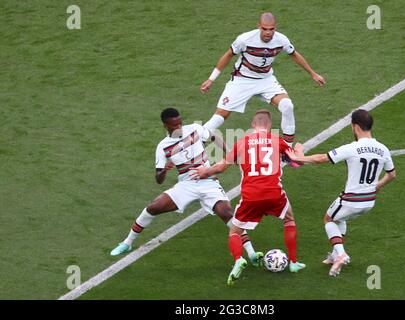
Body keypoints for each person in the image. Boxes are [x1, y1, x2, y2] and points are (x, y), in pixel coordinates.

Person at [111, 108, 263, 268]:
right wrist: (164, 170)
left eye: (180, 123)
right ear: (165, 126)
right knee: (153, 207)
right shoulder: (162, 147)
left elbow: (213, 136)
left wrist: (230, 154)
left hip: (208, 180)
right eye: (174, 125)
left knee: (226, 212)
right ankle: (127, 242)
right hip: (186, 184)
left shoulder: (194, 129)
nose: (179, 128)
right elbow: (158, 179)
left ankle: (252, 253)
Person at [190, 110, 306, 285]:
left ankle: (238, 259)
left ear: (253, 125)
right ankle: (294, 263)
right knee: (289, 219)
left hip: (251, 195)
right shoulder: (278, 141)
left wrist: (204, 171)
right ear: (269, 126)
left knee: (235, 231)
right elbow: (298, 161)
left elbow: (221, 167)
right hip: (274, 193)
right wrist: (299, 148)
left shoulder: (242, 142)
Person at [200, 12, 325, 163]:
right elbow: (228, 55)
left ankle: (287, 151)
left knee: (287, 105)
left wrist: (313, 73)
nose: (268, 33)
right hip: (242, 80)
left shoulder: (281, 40)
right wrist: (211, 79)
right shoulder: (244, 39)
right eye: (265, 29)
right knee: (220, 116)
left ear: (275, 28)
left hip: (266, 80)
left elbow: (294, 54)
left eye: (271, 29)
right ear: (259, 26)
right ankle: (197, 139)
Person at [286, 109, 397, 277]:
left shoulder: (352, 148)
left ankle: (341, 254)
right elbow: (392, 175)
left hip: (351, 199)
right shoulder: (383, 149)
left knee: (329, 218)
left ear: (356, 127)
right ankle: (335, 255)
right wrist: (378, 185)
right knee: (341, 217)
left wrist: (298, 158)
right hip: (369, 202)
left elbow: (321, 158)